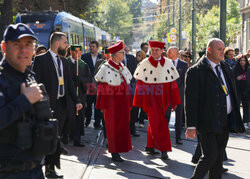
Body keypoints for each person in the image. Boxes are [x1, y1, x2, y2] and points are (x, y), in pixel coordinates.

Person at [185, 38, 245, 179]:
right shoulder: (195, 71)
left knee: (218, 159)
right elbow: (191, 101)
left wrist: (235, 119)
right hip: (206, 122)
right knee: (210, 156)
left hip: (224, 121)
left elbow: (232, 93)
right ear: (209, 50)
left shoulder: (226, 68)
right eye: (219, 49)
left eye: (223, 49)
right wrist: (191, 125)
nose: (222, 52)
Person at [0, 23, 47, 178]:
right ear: (4, 47)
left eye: (28, 44)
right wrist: (24, 100)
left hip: (34, 170)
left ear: (34, 49)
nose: (23, 50)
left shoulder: (29, 77)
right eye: (16, 44)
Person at [33, 32, 82, 178]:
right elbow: (36, 82)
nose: (67, 45)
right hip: (46, 105)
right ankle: (36, 168)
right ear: (56, 43)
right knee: (44, 137)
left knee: (56, 137)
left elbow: (69, 85)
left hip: (62, 104)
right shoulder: (41, 59)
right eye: (65, 42)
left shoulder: (64, 61)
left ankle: (50, 169)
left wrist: (77, 100)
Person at [133, 40, 181, 160]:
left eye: (157, 50)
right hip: (151, 97)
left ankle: (150, 146)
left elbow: (172, 83)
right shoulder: (144, 63)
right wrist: (140, 100)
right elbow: (140, 83)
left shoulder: (169, 63)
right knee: (160, 122)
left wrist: (174, 100)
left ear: (162, 51)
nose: (154, 52)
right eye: (152, 50)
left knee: (157, 122)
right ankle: (164, 148)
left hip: (165, 98)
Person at [95, 41, 132, 162]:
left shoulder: (121, 66)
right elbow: (102, 89)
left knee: (122, 127)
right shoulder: (106, 68)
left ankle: (120, 149)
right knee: (112, 128)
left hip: (123, 104)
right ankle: (114, 152)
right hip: (112, 105)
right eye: (122, 52)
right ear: (115, 54)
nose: (124, 54)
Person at [66, 45, 92, 146]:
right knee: (69, 116)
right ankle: (66, 136)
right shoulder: (65, 63)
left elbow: (89, 80)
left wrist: (80, 80)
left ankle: (77, 139)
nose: (78, 54)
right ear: (71, 52)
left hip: (80, 94)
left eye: (79, 52)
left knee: (79, 116)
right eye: (75, 52)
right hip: (68, 95)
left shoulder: (83, 65)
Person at [165, 46, 188, 145]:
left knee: (179, 116)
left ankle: (178, 137)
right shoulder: (165, 63)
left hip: (179, 93)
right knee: (166, 116)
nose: (167, 53)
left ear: (176, 53)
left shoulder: (183, 64)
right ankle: (165, 137)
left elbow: (185, 80)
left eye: (170, 52)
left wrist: (180, 91)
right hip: (167, 94)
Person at [81, 41, 102, 128]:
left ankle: (97, 123)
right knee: (88, 104)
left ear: (97, 48)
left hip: (98, 85)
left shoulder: (101, 57)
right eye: (90, 46)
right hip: (89, 85)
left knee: (97, 105)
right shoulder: (85, 57)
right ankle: (87, 120)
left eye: (93, 46)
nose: (91, 48)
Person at [123, 44, 140, 137]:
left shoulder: (131, 58)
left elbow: (135, 71)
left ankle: (132, 128)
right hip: (120, 88)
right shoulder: (114, 59)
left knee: (133, 108)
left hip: (131, 85)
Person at [233, 54, 249, 128]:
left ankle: (245, 121)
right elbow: (233, 78)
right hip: (237, 89)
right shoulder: (235, 68)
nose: (242, 62)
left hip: (246, 90)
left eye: (244, 60)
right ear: (238, 61)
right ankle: (237, 122)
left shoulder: (248, 68)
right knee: (237, 106)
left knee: (246, 106)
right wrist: (236, 78)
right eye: (241, 60)